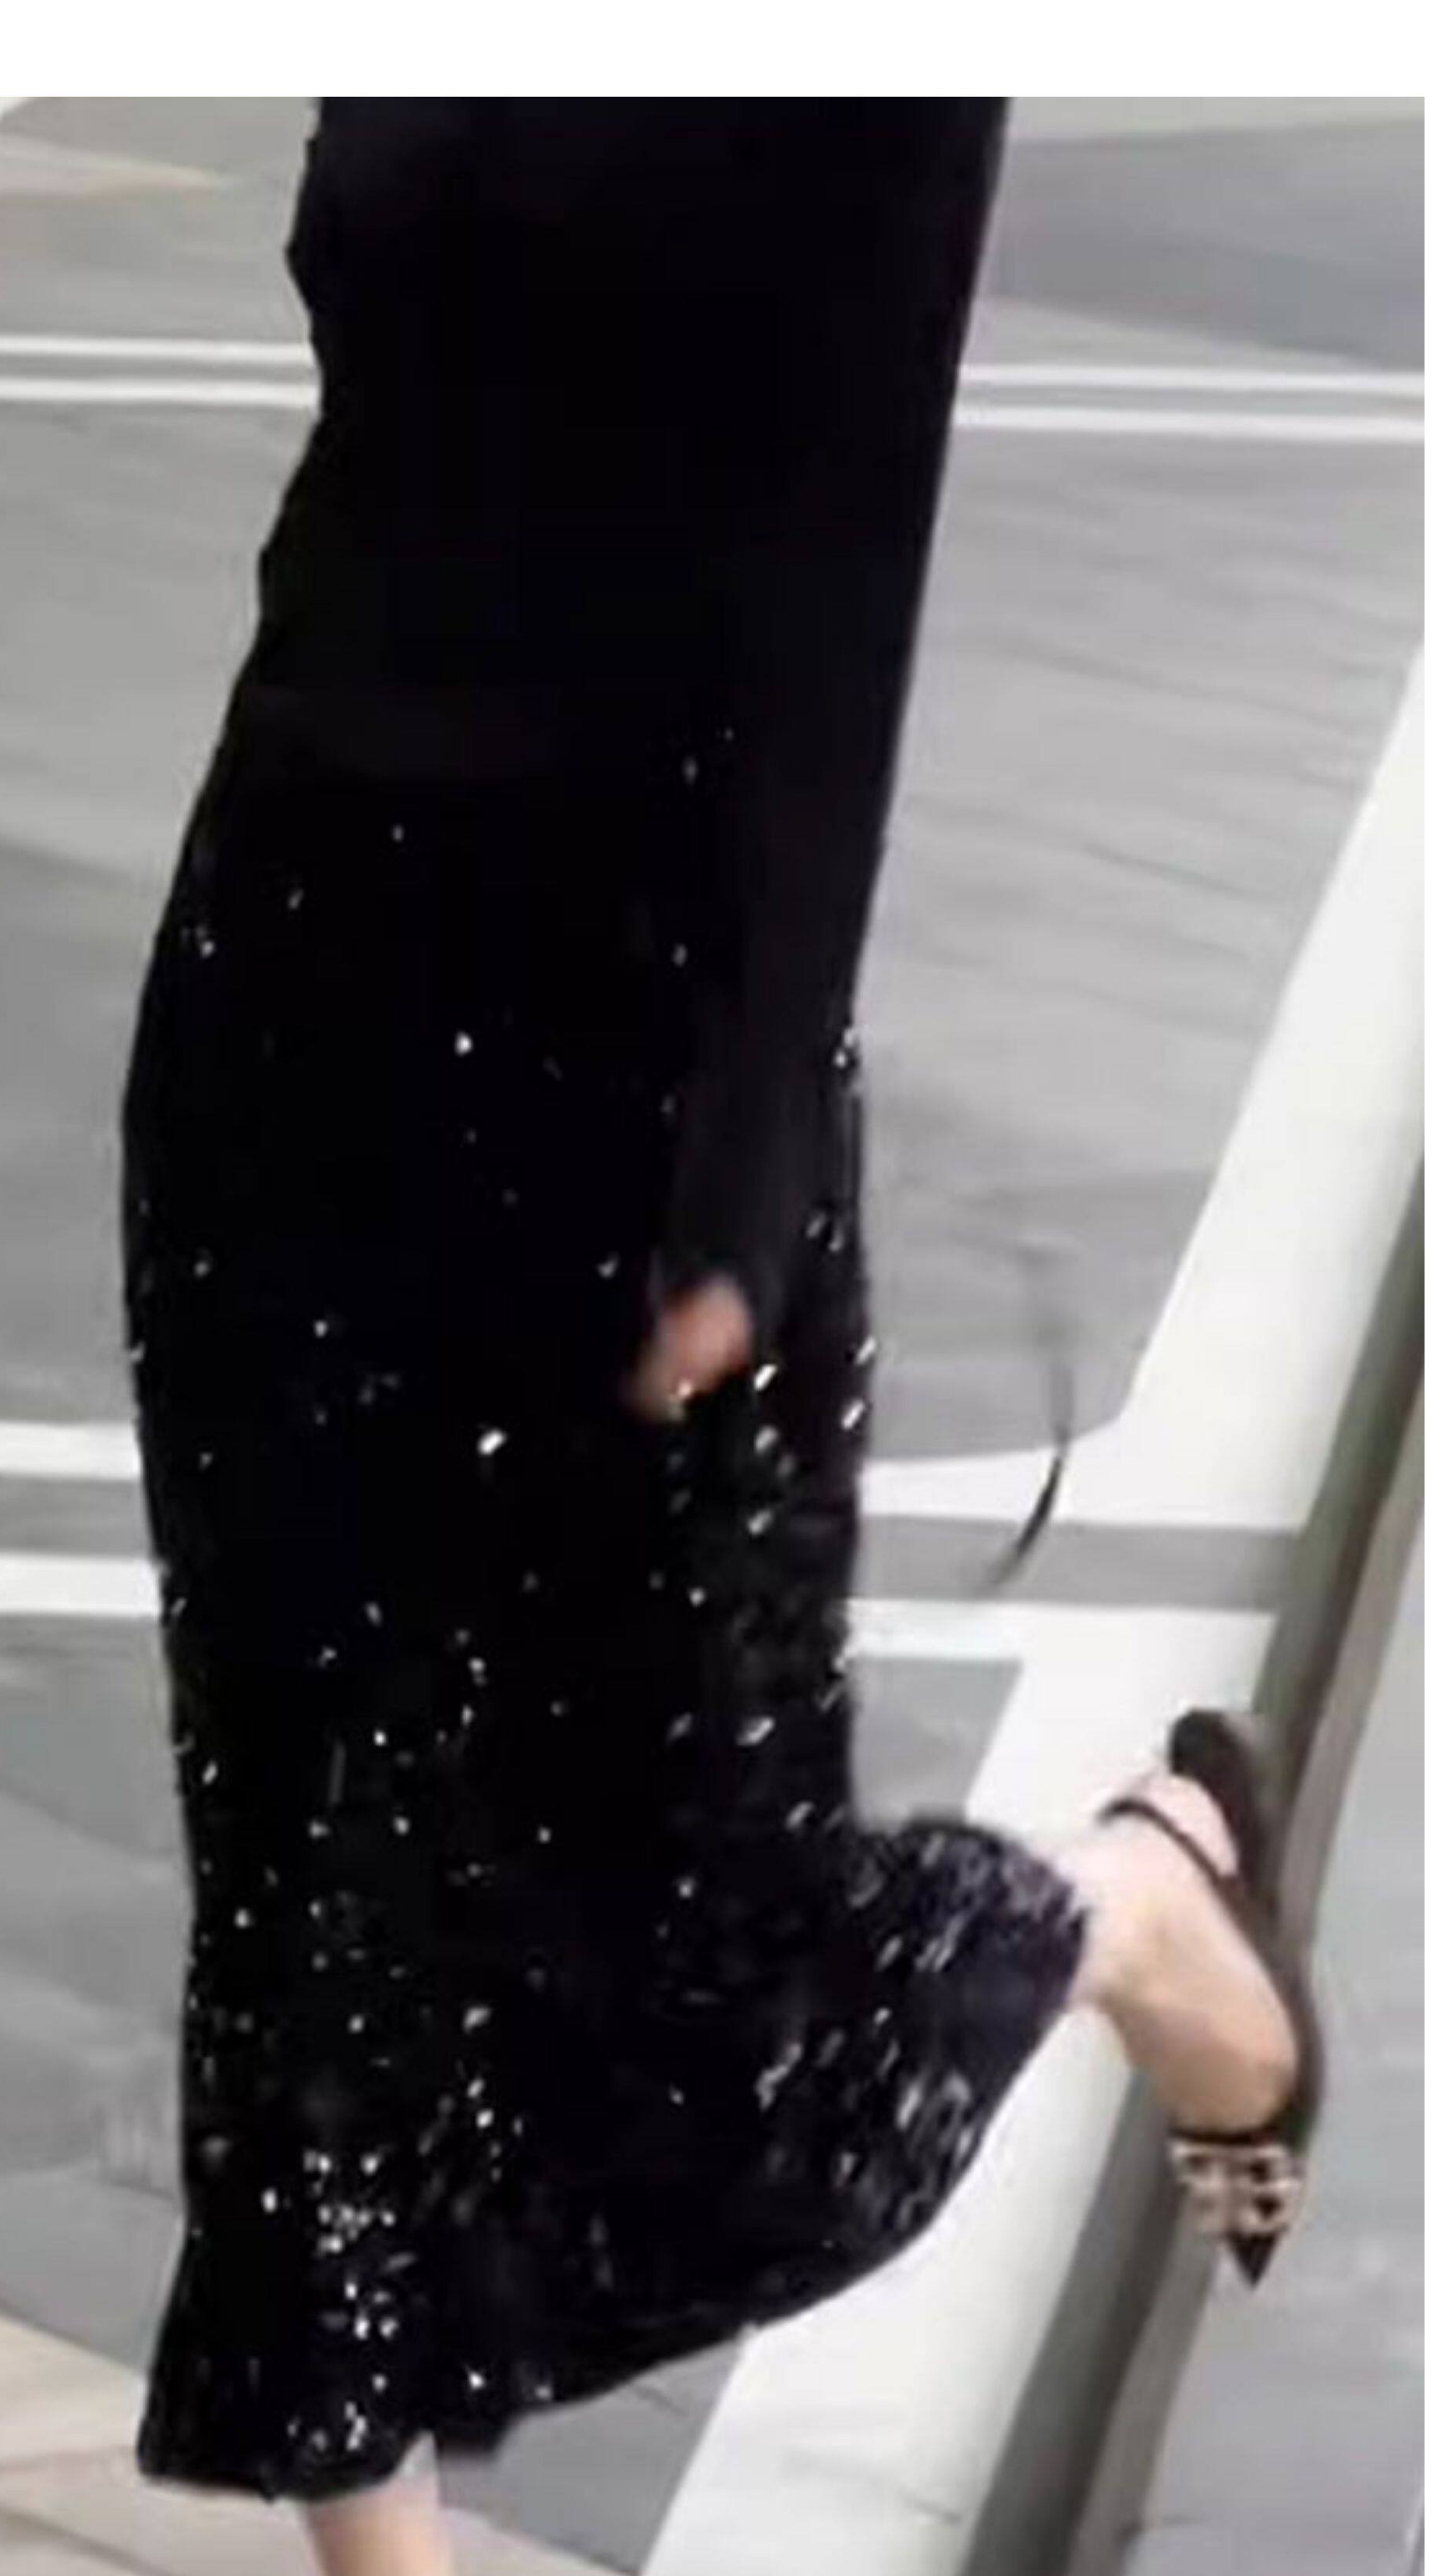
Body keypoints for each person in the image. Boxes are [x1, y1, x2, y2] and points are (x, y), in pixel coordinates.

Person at [119, 101, 1318, 2576]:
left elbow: (845, 554)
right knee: (300, 1885)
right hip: (288, 966)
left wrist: (749, 1159)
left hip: (632, 1050)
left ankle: (1133, 1905)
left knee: (725, 2001)